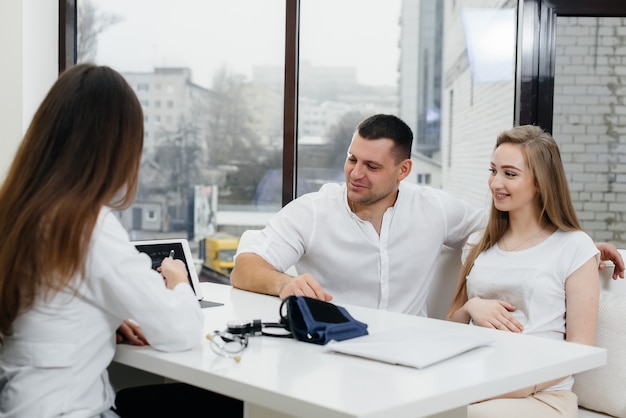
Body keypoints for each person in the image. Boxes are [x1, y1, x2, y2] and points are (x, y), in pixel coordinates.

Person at [0, 64, 241, 417]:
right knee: (225, 407)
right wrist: (179, 281)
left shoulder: (16, 211)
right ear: (115, 149)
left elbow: (47, 309)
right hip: (69, 411)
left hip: (22, 405)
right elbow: (180, 331)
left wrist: (104, 317)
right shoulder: (86, 226)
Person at [230, 114, 624, 317]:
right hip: (332, 348)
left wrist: (577, 245)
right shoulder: (313, 211)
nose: (355, 173)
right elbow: (245, 267)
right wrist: (285, 283)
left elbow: (512, 227)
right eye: (352, 159)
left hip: (412, 355)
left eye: (372, 165)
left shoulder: (432, 207)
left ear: (403, 171)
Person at [446, 125, 599, 417]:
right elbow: (450, 324)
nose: (495, 183)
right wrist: (472, 306)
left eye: (510, 174)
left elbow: (581, 351)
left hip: (540, 395)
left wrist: (517, 388)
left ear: (541, 183)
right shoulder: (478, 243)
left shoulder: (575, 247)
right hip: (475, 381)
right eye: (493, 170)